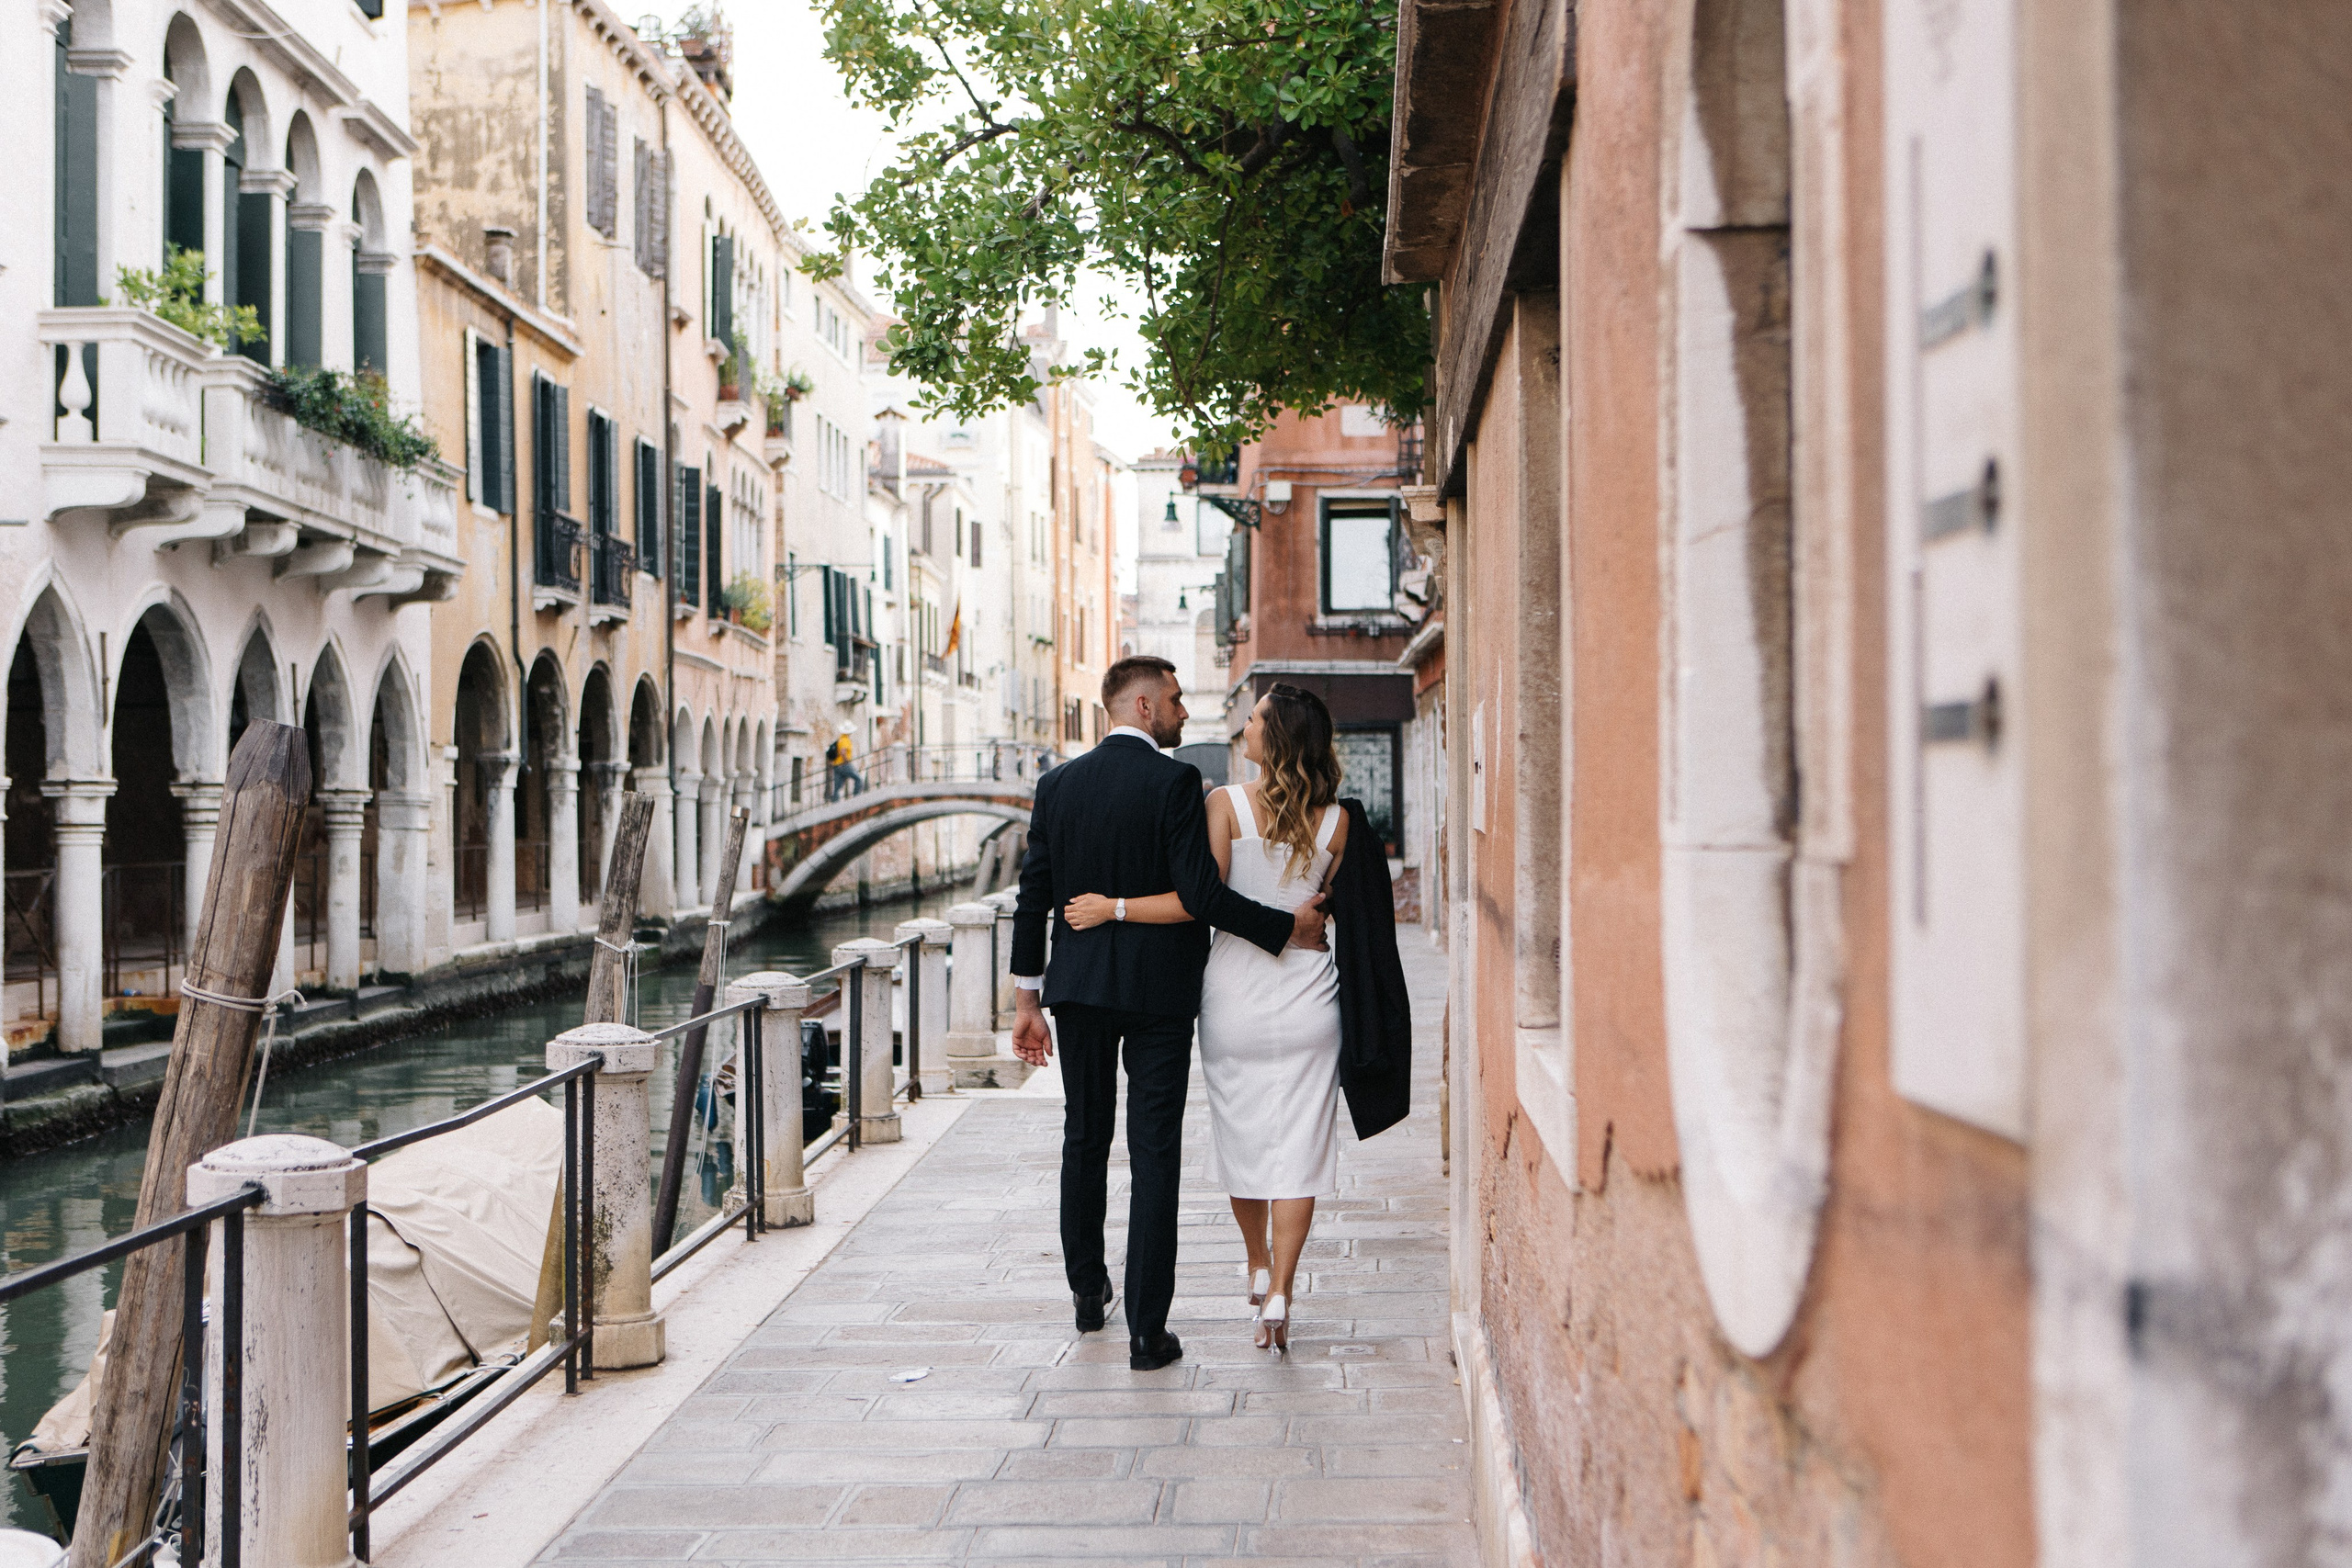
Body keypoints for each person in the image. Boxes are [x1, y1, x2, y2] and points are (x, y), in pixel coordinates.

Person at [1062, 682, 1408, 1354]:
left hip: (1231, 999)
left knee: (1244, 1141)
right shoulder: (1340, 822)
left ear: (1272, 737)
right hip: (1310, 996)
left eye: (1252, 720)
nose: (1242, 727)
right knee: (1302, 1149)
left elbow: (1202, 901)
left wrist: (1115, 907)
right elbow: (1335, 906)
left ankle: (1255, 1261)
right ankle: (1281, 1286)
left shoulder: (1222, 804)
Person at [1009, 656, 1329, 1371]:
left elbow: (1034, 898)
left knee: (1084, 1139)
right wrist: (1287, 929)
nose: (1187, 712)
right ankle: (1148, 1334)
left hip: (1079, 990)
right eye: (1178, 701)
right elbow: (1202, 896)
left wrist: (1027, 999)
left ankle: (1089, 1293)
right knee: (1154, 1155)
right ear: (1146, 705)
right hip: (1160, 998)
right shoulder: (1177, 782)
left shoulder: (1057, 785)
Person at [825, 730, 864, 801]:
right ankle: (857, 798)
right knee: (859, 779)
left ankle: (835, 804)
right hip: (844, 765)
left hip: (836, 766)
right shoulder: (846, 740)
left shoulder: (839, 740)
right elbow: (843, 752)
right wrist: (846, 761)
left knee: (837, 787)